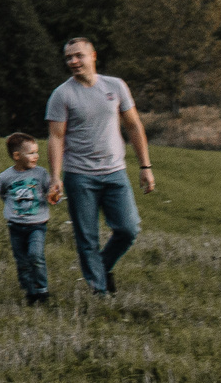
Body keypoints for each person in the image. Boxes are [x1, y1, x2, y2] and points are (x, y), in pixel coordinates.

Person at [45, 37, 155, 298]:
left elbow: (133, 126)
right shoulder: (62, 94)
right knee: (87, 238)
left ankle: (101, 269)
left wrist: (145, 166)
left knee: (128, 229)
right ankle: (100, 292)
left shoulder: (115, 86)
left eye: (78, 55)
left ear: (93, 56)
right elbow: (56, 137)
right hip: (79, 176)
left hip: (115, 172)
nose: (73, 61)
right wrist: (55, 177)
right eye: (68, 57)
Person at [0, 131, 53, 306]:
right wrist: (13, 210)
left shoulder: (41, 174)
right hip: (16, 226)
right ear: (17, 156)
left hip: (37, 225)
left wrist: (54, 196)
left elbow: (50, 192)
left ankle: (42, 290)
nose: (36, 156)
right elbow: (3, 194)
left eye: (37, 152)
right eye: (31, 153)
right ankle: (30, 292)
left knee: (36, 255)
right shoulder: (5, 177)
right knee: (22, 261)